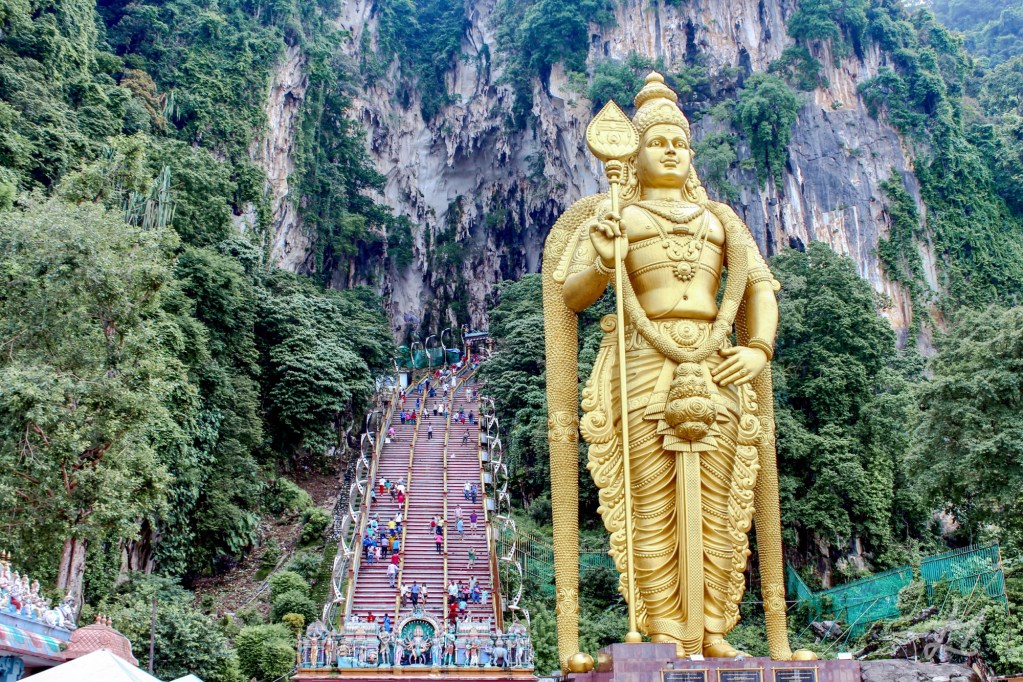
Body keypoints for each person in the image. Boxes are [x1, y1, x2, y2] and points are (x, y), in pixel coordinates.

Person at [547, 72, 791, 659]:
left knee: (721, 499)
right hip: (641, 362)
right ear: (634, 155)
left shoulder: (721, 220)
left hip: (716, 364)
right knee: (649, 502)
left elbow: (759, 288)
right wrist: (603, 262)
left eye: (680, 142)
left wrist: (758, 347)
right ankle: (663, 631)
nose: (671, 151)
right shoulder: (616, 216)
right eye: (658, 142)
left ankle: (713, 629)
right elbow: (571, 295)